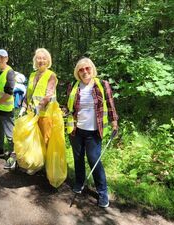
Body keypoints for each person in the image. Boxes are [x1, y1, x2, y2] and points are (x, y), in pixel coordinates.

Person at [66, 57, 118, 208]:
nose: (84, 72)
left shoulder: (102, 85)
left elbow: (110, 104)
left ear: (92, 69)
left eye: (87, 68)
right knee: (78, 158)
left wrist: (115, 123)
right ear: (77, 72)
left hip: (94, 132)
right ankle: (79, 182)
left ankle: (103, 193)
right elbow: (69, 108)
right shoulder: (73, 86)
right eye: (81, 70)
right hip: (76, 130)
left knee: (94, 160)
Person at [6, 48, 58, 172]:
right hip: (31, 113)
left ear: (48, 60)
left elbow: (49, 94)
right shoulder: (32, 75)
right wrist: (23, 107)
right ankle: (34, 163)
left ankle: (46, 168)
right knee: (31, 140)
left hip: (45, 114)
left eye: (44, 58)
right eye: (39, 58)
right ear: (35, 60)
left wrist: (39, 106)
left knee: (45, 141)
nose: (41, 60)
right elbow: (28, 95)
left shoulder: (51, 75)